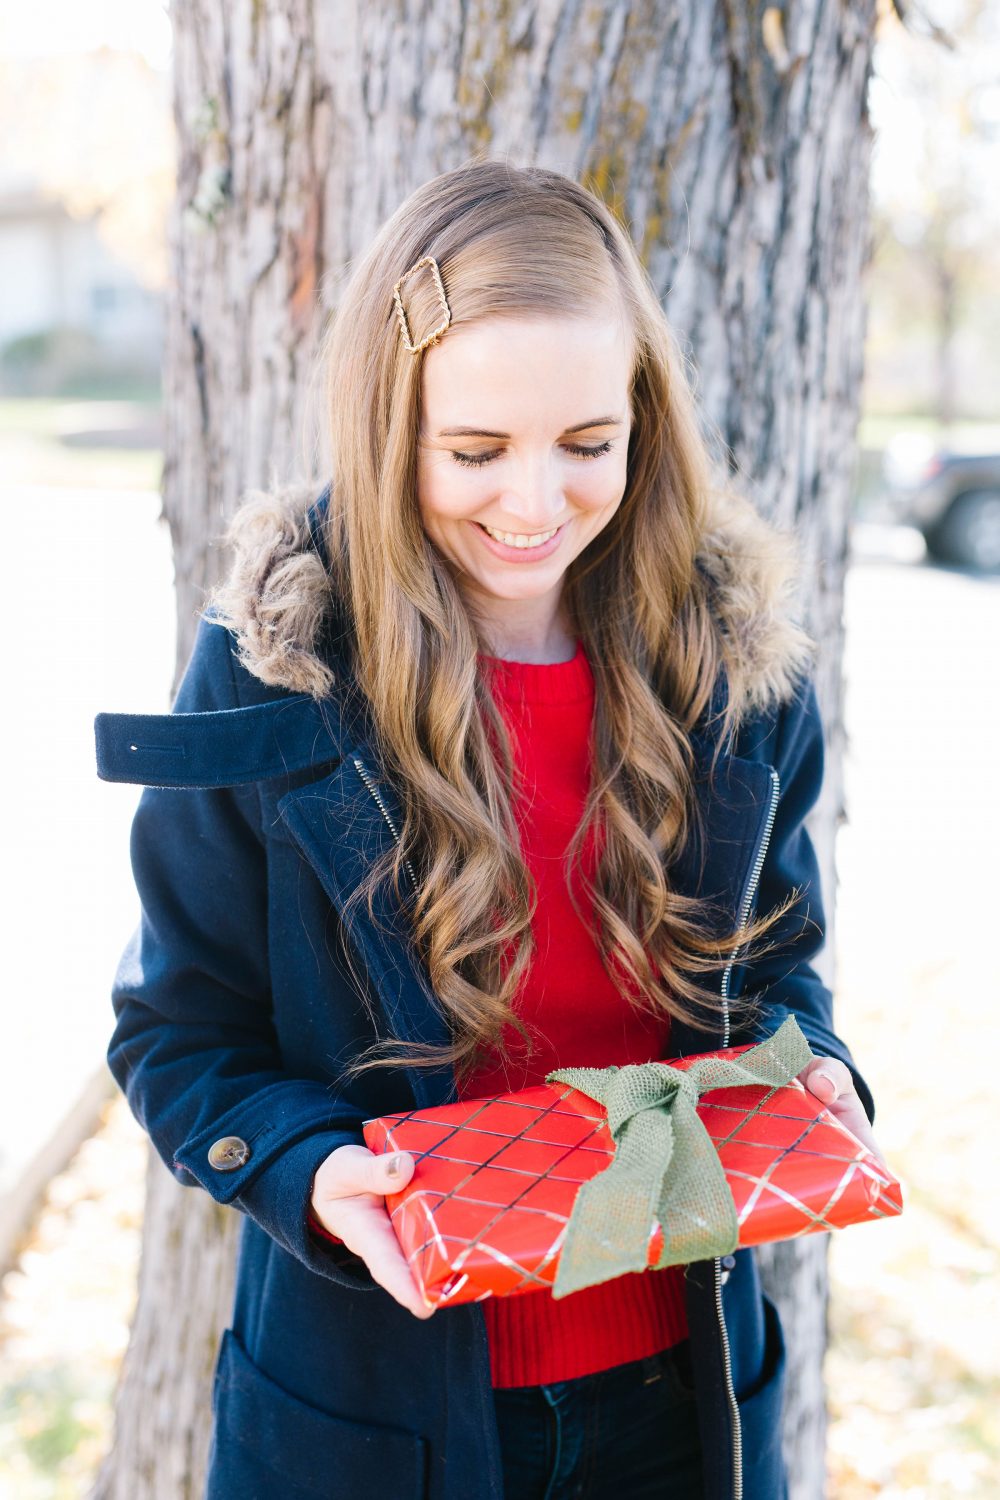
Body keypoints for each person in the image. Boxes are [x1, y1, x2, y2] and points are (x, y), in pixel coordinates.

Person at [96, 158, 885, 1500]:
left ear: (644, 417)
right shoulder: (282, 669)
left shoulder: (732, 672)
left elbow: (775, 969)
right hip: (369, 1411)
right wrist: (309, 1170)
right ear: (388, 424)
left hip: (678, 1402)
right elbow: (179, 1029)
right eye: (475, 452)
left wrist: (806, 1075)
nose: (535, 505)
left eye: (589, 443)